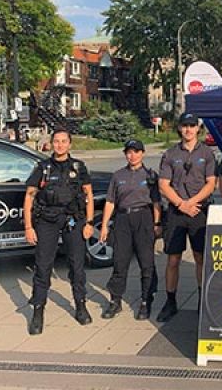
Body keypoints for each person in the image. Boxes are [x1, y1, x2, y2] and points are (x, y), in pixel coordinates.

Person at [23, 128, 95, 335]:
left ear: (70, 144)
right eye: (56, 141)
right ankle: (38, 311)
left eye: (64, 141)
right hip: (47, 221)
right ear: (51, 144)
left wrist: (89, 223)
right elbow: (29, 197)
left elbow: (88, 195)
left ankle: (80, 305)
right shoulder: (42, 168)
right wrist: (28, 227)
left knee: (77, 265)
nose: (60, 145)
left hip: (74, 220)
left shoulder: (78, 167)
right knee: (43, 266)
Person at [156, 113, 217, 322]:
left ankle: (202, 301)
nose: (188, 129)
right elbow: (163, 184)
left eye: (192, 126)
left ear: (198, 128)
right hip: (176, 212)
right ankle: (170, 301)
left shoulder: (207, 153)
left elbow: (211, 183)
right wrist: (182, 204)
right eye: (185, 126)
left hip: (199, 211)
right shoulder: (170, 154)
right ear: (179, 128)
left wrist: (192, 203)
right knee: (173, 259)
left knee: (201, 257)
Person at [99, 139, 162, 320]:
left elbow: (156, 202)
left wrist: (157, 224)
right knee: (120, 262)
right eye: (129, 152)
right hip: (122, 219)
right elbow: (110, 201)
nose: (132, 155)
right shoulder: (118, 176)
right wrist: (104, 225)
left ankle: (145, 301)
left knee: (146, 262)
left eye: (136, 151)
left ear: (142, 153)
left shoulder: (150, 175)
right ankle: (115, 301)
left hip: (143, 218)